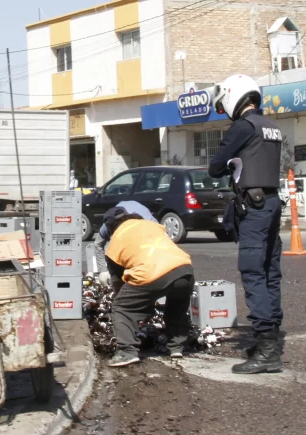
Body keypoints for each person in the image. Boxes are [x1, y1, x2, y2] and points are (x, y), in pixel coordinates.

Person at [208, 74, 285, 375]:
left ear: (232, 97)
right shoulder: (271, 126)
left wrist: (229, 164)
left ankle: (267, 350)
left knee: (253, 273)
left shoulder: (243, 126)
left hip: (253, 208)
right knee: (270, 273)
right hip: (272, 204)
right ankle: (271, 340)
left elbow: (215, 167)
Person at [103, 206, 195, 367]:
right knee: (177, 306)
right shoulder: (151, 225)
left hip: (151, 273)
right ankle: (176, 347)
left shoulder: (115, 242)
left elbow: (120, 283)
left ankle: (126, 352)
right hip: (184, 269)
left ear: (111, 226)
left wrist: (137, 305)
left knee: (121, 307)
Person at [94, 201, 158, 286]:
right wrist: (103, 271)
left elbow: (163, 241)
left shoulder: (148, 223)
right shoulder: (108, 224)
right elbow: (98, 244)